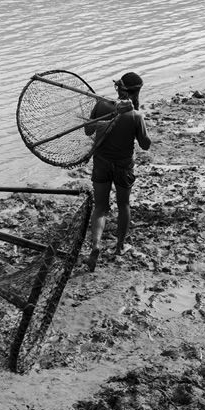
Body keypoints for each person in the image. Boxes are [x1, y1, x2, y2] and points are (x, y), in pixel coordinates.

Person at [83, 72, 152, 270]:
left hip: (101, 163)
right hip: (123, 165)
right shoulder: (135, 116)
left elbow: (88, 131)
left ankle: (96, 245)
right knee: (123, 205)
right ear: (136, 92)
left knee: (100, 207)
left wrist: (102, 121)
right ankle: (120, 247)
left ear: (119, 87)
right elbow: (145, 145)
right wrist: (143, 128)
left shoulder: (101, 105)